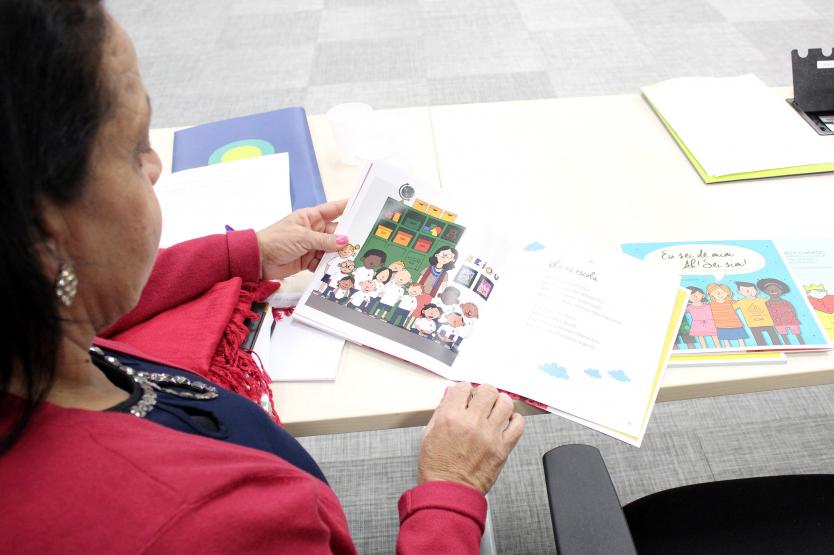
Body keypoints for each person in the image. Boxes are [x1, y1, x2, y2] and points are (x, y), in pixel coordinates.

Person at [0, 1, 524, 552]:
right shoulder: (207, 521)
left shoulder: (32, 328)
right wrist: (449, 494)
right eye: (135, 149)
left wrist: (243, 253)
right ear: (44, 235)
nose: (155, 168)